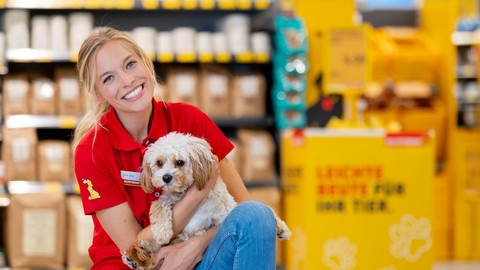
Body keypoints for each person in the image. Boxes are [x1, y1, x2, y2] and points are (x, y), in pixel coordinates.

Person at [73, 26, 279, 270]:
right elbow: (137, 252)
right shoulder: (92, 150)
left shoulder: (189, 120)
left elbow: (241, 209)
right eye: (109, 78)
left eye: (130, 64)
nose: (127, 81)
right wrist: (198, 194)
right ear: (98, 94)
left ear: (146, 63)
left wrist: (196, 245)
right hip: (131, 265)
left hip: (201, 257)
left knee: (257, 216)